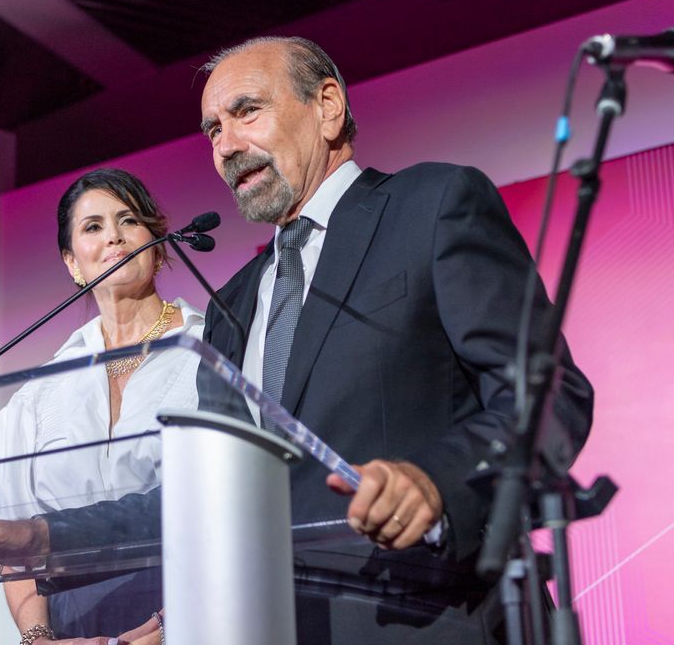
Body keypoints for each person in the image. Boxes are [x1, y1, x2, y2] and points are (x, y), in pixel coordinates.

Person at [195, 36, 594, 644]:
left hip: (438, 618)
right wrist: (41, 536)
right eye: (212, 130)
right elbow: (212, 486)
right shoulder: (230, 304)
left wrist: (435, 480)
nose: (226, 145)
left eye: (247, 111)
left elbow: (549, 399)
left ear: (327, 106)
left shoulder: (432, 206)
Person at [0, 168, 201, 645]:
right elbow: (14, 541)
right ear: (73, 263)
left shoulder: (212, 348)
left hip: (193, 610)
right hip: (72, 627)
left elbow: (234, 504)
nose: (113, 235)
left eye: (128, 220)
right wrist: (37, 638)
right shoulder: (41, 390)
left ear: (158, 242)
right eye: (92, 227)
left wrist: (172, 626)